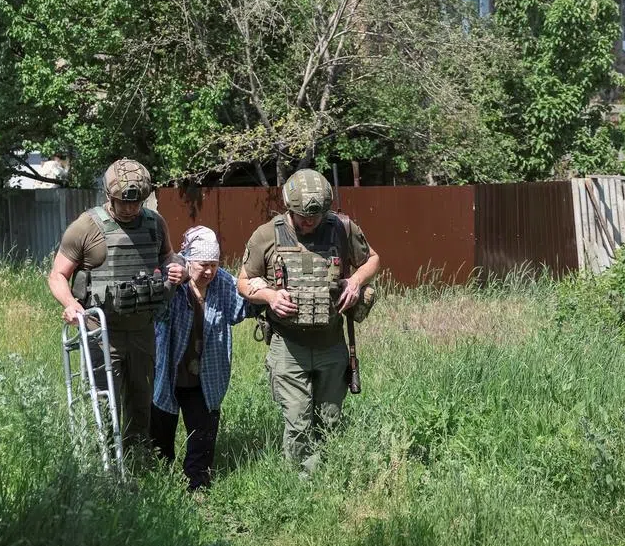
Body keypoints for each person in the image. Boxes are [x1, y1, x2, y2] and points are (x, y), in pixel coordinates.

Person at [237, 169, 380, 474]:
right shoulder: (267, 234)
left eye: (315, 216)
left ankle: (329, 475)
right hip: (289, 347)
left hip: (331, 343)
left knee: (330, 418)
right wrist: (270, 297)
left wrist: (355, 280)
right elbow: (244, 281)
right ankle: (300, 482)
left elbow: (372, 259)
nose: (309, 222)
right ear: (289, 206)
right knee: (298, 419)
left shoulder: (342, 228)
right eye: (302, 216)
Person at [48, 158, 185, 444]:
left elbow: (168, 256)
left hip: (143, 330)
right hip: (101, 333)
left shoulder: (154, 223)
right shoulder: (86, 227)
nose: (130, 208)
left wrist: (175, 266)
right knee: (103, 402)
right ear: (109, 196)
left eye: (136, 203)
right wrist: (70, 304)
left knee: (141, 402)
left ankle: (138, 462)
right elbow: (57, 275)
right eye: (123, 202)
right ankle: (105, 469)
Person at [150, 226, 253, 491]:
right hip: (170, 373)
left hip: (206, 375)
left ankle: (197, 486)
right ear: (188, 260)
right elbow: (156, 309)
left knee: (202, 436)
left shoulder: (223, 283)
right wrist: (176, 281)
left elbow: (243, 307)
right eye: (203, 264)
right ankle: (160, 484)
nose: (209, 271)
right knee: (160, 435)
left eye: (214, 264)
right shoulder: (172, 282)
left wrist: (262, 288)